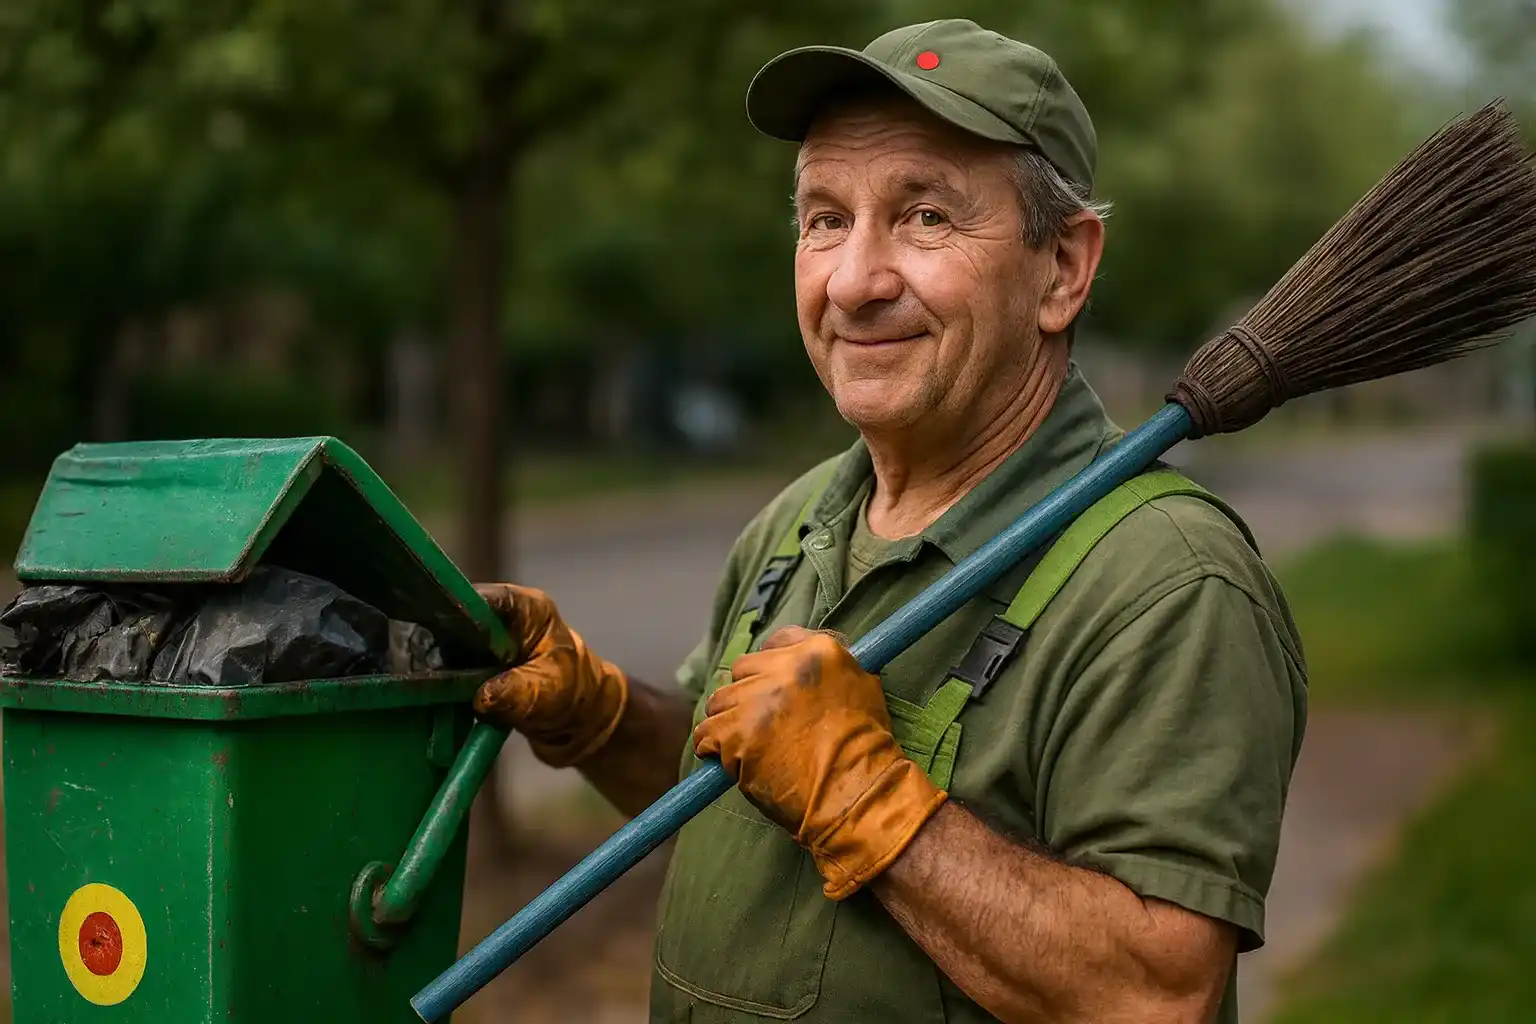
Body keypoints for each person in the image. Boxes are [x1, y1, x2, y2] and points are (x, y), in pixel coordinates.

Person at [473, 18, 1308, 1024]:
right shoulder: (799, 520)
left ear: (1063, 269)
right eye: (825, 219)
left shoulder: (1166, 580)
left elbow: (1152, 992)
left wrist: (874, 805)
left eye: (924, 219)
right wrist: (598, 719)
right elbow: (731, 787)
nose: (855, 282)